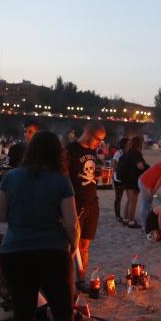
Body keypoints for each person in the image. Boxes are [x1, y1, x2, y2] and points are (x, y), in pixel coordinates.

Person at [0, 130, 90, 321]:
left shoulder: (11, 177)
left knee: (23, 313)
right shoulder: (60, 181)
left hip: (15, 252)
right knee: (62, 312)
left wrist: (25, 215)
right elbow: (72, 224)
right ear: (57, 154)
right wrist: (72, 246)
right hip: (51, 253)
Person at [66, 121, 106, 289]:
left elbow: (90, 173)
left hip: (92, 202)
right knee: (72, 245)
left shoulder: (92, 152)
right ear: (88, 133)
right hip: (77, 202)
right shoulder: (70, 150)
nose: (99, 143)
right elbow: (64, 177)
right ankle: (67, 281)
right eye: (98, 139)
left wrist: (98, 174)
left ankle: (81, 280)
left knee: (85, 245)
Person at [117, 136, 147, 228]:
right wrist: (147, 168)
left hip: (125, 179)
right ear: (139, 144)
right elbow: (140, 166)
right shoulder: (136, 153)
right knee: (133, 201)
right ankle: (131, 221)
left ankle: (126, 219)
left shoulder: (127, 153)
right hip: (133, 180)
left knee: (129, 201)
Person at [112, 138, 128, 223]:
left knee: (122, 196)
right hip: (118, 179)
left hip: (125, 178)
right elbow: (114, 165)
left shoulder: (128, 153)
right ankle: (117, 215)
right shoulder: (118, 153)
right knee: (118, 197)